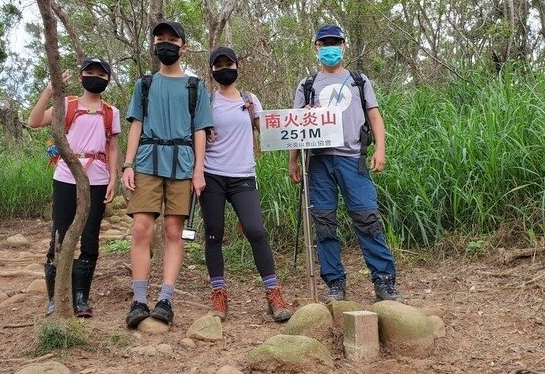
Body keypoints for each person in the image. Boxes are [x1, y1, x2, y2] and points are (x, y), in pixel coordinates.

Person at [288, 24, 401, 303]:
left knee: (367, 219)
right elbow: (295, 125)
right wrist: (292, 161)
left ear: (343, 45)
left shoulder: (359, 81)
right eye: (324, 43)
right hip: (318, 163)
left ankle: (384, 280)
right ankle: (334, 283)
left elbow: (375, 117)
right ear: (316, 47)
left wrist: (381, 150)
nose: (329, 47)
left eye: (334, 42)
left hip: (354, 159)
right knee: (324, 223)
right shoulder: (307, 85)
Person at [122, 21, 213, 328]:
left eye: (172, 39)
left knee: (174, 232)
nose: (165, 43)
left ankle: (165, 299)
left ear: (183, 47)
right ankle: (138, 300)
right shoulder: (144, 85)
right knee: (141, 229)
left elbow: (200, 129)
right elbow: (135, 124)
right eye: (160, 39)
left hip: (183, 165)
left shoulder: (194, 86)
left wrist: (199, 170)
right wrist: (128, 164)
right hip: (147, 162)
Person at [199, 47, 292, 322]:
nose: (224, 68)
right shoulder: (206, 102)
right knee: (214, 234)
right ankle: (218, 296)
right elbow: (196, 135)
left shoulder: (250, 100)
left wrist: (301, 122)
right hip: (212, 175)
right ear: (212, 70)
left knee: (255, 231)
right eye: (218, 65)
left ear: (237, 66)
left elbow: (271, 130)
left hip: (243, 175)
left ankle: (273, 294)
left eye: (229, 63)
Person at [28, 57, 120, 317]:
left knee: (90, 237)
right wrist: (50, 90)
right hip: (67, 175)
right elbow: (34, 121)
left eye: (101, 74)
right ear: (80, 76)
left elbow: (112, 146)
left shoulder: (111, 112)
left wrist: (113, 177)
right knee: (59, 234)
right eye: (89, 72)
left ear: (108, 80)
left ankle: (81, 297)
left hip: (98, 179)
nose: (95, 77)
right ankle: (55, 297)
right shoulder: (66, 104)